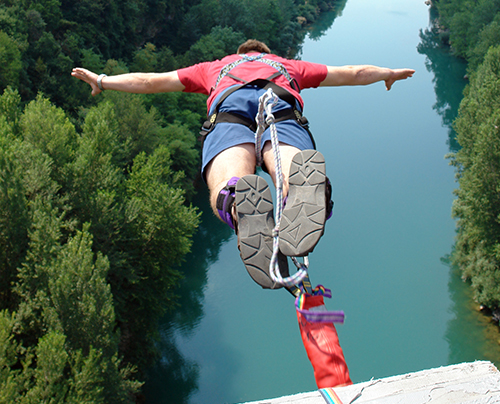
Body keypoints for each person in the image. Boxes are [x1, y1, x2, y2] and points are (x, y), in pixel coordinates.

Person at [72, 39, 414, 290]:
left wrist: (102, 80)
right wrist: (389, 73)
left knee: (229, 182)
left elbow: (150, 81)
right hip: (279, 103)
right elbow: (352, 73)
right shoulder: (288, 66)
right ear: (265, 53)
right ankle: (301, 187)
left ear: (239, 54)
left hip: (229, 109)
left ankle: (236, 201)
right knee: (292, 166)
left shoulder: (213, 68)